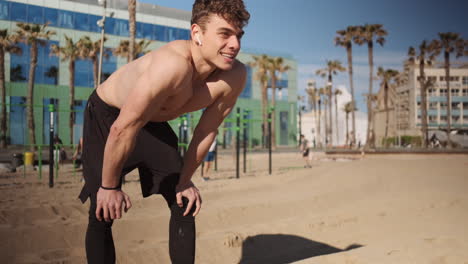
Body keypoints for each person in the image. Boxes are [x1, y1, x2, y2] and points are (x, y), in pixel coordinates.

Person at [78, 1, 250, 263]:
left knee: (184, 201)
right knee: (102, 209)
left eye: (238, 35)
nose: (235, 44)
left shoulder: (234, 76)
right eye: (225, 34)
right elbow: (122, 128)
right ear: (197, 34)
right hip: (109, 115)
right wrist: (109, 186)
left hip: (152, 122)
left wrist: (185, 181)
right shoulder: (173, 65)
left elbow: (206, 131)